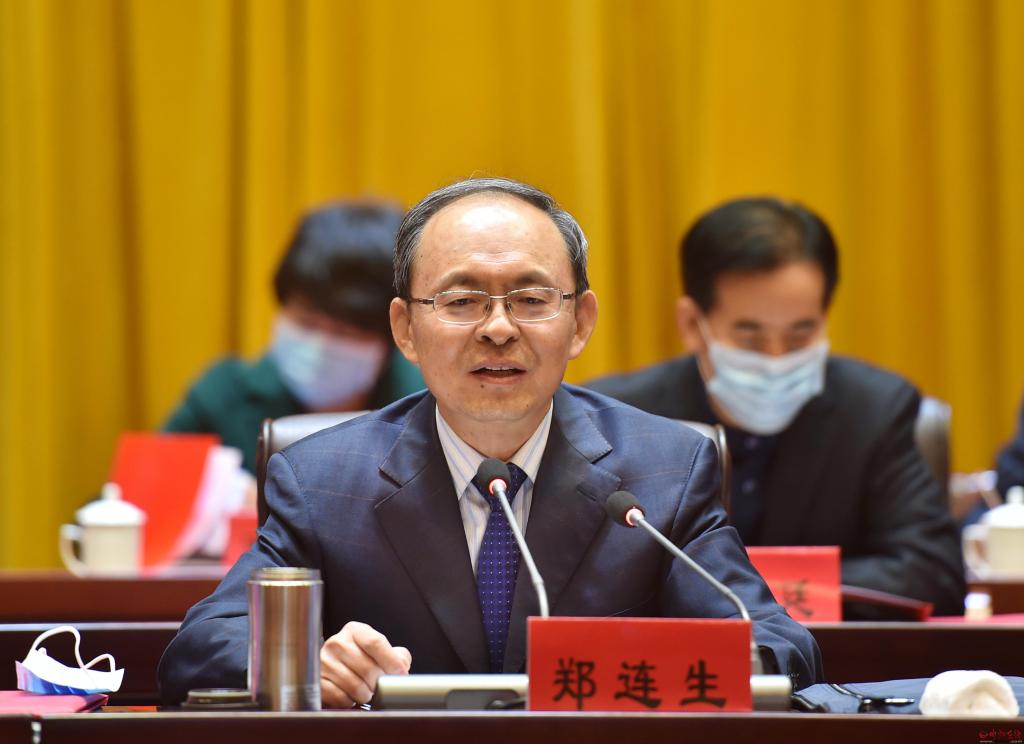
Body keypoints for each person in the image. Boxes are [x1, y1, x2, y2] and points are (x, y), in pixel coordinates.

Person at [158, 178, 821, 707]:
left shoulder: (666, 471)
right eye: (462, 301)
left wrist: (648, 666)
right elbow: (200, 650)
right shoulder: (321, 479)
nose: (499, 329)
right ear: (405, 328)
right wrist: (307, 662)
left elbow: (778, 647)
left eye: (531, 299)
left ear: (580, 322)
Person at [588, 197, 966, 619]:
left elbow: (934, 574)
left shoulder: (875, 410)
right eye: (750, 337)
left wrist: (737, 590)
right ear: (692, 324)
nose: (776, 358)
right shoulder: (615, 418)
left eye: (800, 335)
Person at [162, 202, 425, 473]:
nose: (320, 345)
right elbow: (150, 486)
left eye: (343, 332)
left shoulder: (428, 405)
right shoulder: (223, 396)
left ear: (395, 332)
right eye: (306, 321)